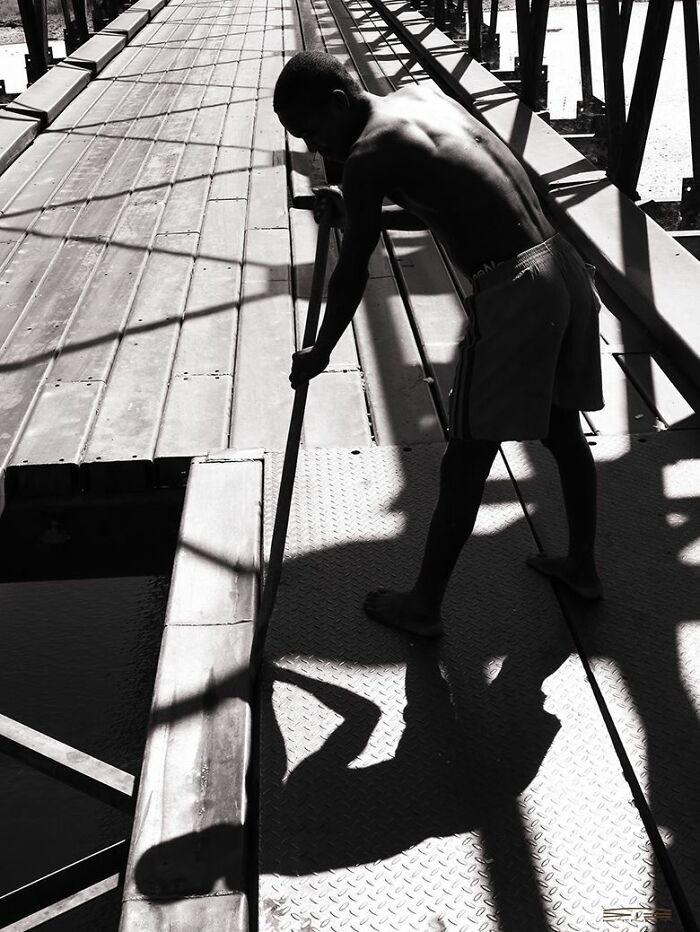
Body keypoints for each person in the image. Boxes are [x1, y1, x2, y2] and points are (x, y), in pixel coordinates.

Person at [273, 50, 604, 637]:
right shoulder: (420, 99)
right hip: (560, 266)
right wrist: (356, 208)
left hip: (514, 294)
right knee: (560, 429)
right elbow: (448, 202)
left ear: (338, 103)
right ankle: (580, 564)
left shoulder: (368, 155)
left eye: (315, 134)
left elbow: (354, 270)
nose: (319, 153)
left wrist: (321, 350)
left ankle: (423, 605)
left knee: (468, 456)